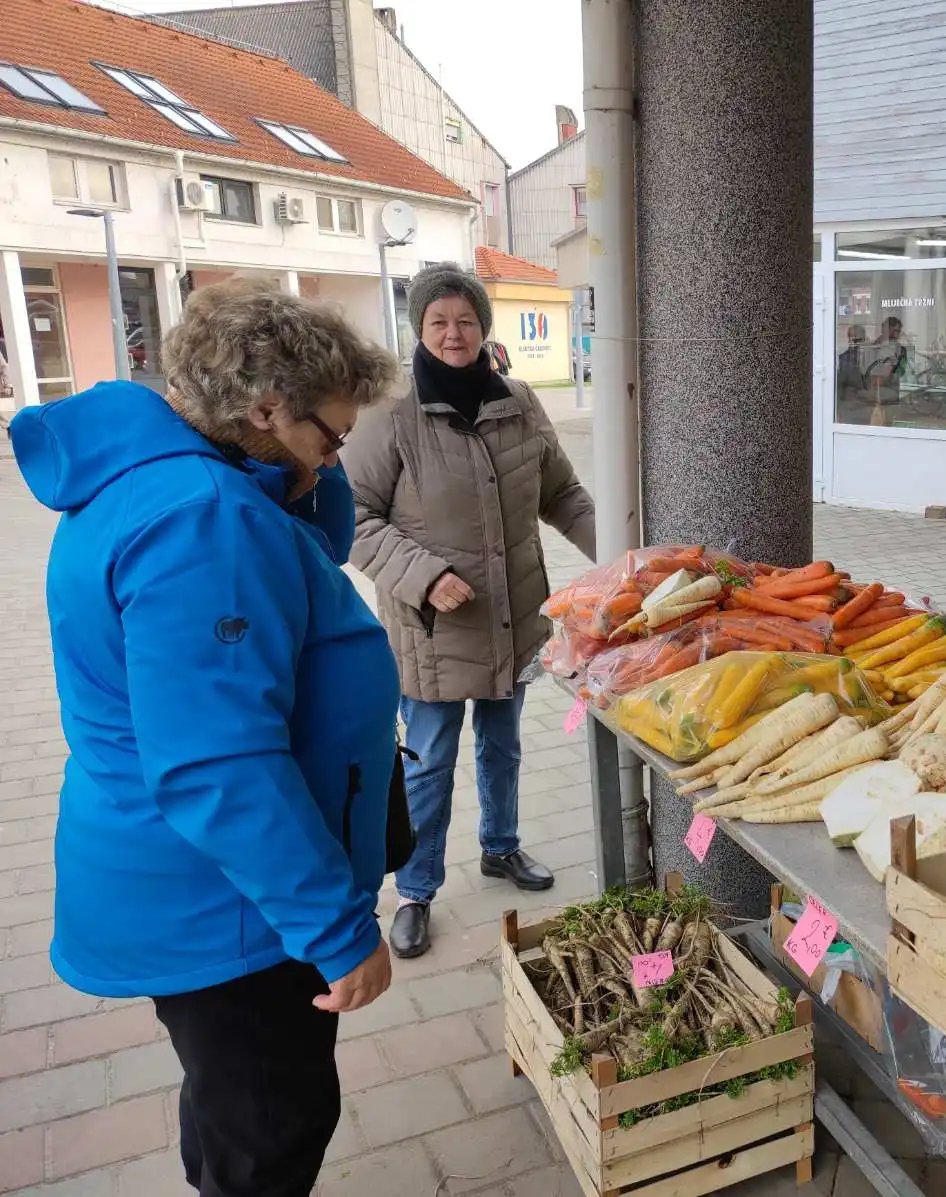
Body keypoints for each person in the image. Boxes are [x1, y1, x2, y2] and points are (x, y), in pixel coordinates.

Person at [6, 280, 402, 1197]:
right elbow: (220, 763)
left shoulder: (180, 469)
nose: (335, 459)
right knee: (274, 1124)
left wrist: (306, 464)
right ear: (262, 409)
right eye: (329, 437)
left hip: (199, 880)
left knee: (232, 1108)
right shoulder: (205, 520)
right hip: (229, 904)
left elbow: (317, 541)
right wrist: (338, 932)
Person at [344, 263, 596, 960]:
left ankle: (501, 848)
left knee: (504, 745)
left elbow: (563, 494)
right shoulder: (391, 413)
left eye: (465, 320)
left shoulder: (518, 401)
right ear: (420, 330)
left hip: (510, 621)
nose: (454, 334)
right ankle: (417, 889)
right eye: (438, 322)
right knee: (427, 762)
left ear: (484, 327)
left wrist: (626, 560)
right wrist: (423, 576)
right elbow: (352, 517)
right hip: (431, 632)